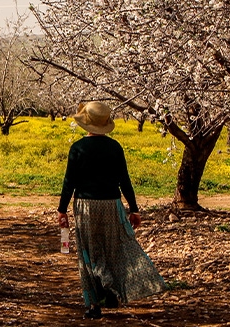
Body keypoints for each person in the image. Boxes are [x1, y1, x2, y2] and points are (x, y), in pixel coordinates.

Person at [58, 101, 166, 319]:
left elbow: (69, 182)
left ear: (85, 123)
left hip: (86, 206)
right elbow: (124, 180)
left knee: (88, 252)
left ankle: (93, 304)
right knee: (113, 248)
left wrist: (62, 210)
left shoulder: (77, 148)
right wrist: (134, 209)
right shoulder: (114, 147)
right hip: (111, 204)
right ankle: (112, 293)